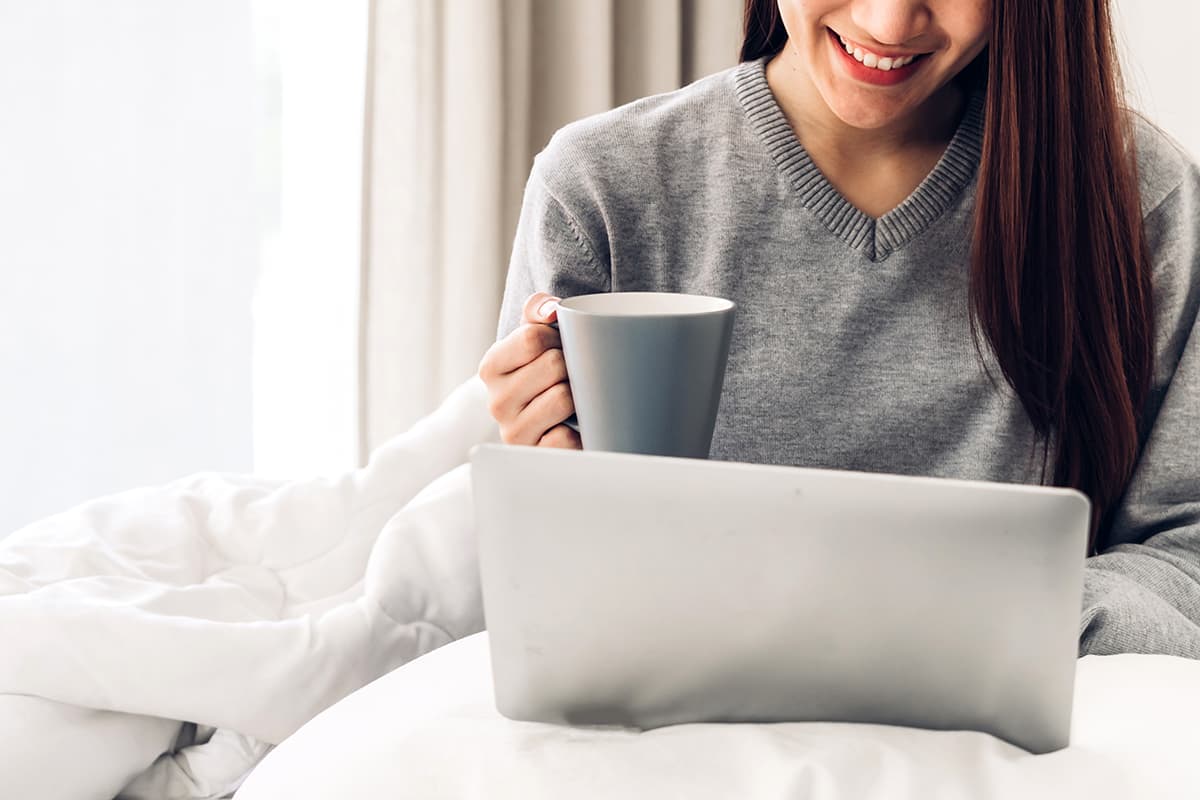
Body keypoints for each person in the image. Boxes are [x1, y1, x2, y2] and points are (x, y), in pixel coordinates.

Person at [476, 0, 1200, 658]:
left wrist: (1008, 614)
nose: (888, 25)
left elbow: (1185, 558)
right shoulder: (602, 188)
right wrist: (540, 484)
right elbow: (543, 597)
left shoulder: (1138, 199)